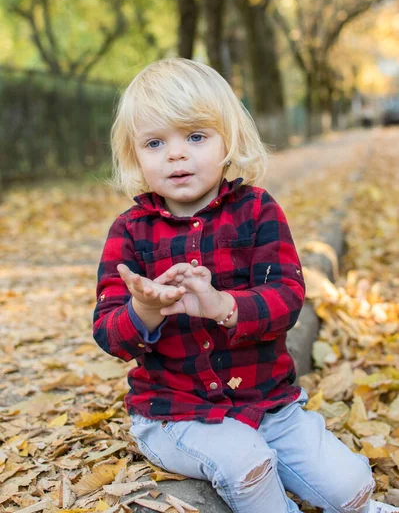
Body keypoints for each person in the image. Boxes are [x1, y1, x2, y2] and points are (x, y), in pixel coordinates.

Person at [93, 58, 397, 513]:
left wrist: (222, 305)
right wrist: (146, 310)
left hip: (268, 402)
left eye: (195, 137)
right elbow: (107, 330)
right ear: (134, 154)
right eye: (155, 143)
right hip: (176, 412)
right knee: (248, 467)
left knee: (351, 485)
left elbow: (287, 297)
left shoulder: (257, 211)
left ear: (228, 140)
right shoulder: (130, 231)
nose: (176, 154)